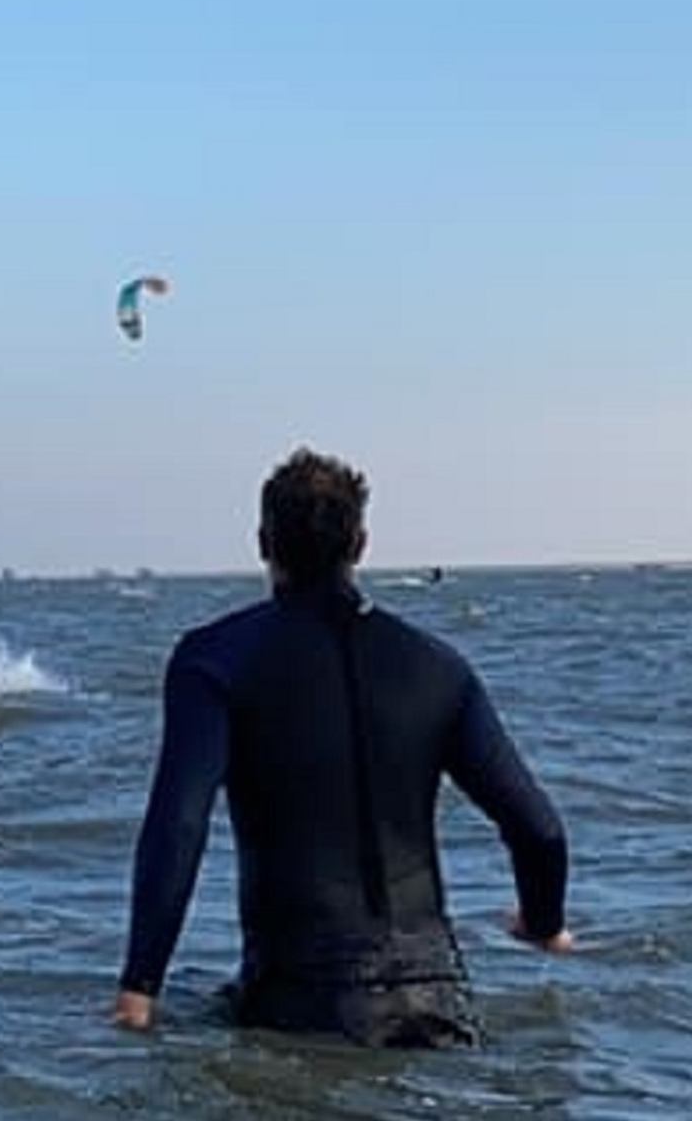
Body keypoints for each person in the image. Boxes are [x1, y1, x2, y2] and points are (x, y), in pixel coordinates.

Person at [112, 447, 571, 1045]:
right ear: (360, 544)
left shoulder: (215, 661)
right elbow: (539, 830)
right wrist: (543, 924)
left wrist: (139, 988)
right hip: (436, 997)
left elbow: (179, 825)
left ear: (263, 542)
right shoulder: (440, 668)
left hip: (301, 1000)